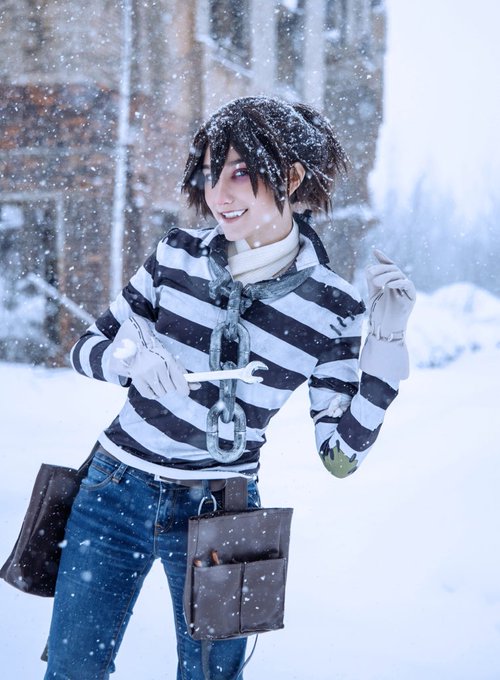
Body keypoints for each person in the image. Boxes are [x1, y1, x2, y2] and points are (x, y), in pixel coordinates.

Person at [44, 96, 415, 680]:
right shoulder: (176, 256)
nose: (219, 194)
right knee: (72, 672)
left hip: (224, 512)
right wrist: (128, 361)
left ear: (291, 177)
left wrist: (386, 349)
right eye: (210, 174)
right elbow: (85, 348)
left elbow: (340, 456)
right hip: (113, 492)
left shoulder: (333, 308)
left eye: (240, 173)